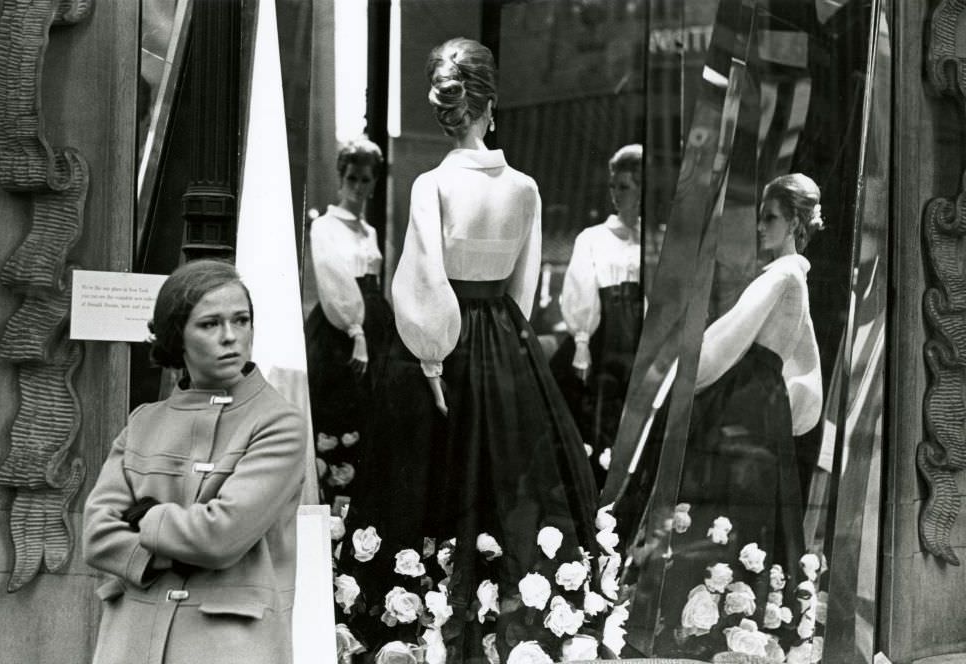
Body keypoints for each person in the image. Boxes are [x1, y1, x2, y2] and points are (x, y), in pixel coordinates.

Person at [337, 38, 603, 662]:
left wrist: (431, 360)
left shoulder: (433, 185)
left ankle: (421, 622)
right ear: (491, 103)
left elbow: (424, 275)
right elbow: (525, 289)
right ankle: (506, 614)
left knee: (429, 482)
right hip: (505, 342)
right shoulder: (528, 189)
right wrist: (507, 341)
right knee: (501, 479)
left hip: (441, 346)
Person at [83, 259, 307, 664]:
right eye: (210, 324)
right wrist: (173, 541)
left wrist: (146, 517)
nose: (230, 337)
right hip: (130, 643)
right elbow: (97, 535)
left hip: (229, 647)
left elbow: (221, 538)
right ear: (177, 336)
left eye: (241, 320)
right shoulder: (144, 422)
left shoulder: (279, 423)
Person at [649, 173, 825, 659]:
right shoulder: (794, 275)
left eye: (770, 218)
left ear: (792, 221)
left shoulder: (783, 275)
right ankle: (740, 616)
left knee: (728, 507)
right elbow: (804, 360)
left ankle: (720, 620)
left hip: (747, 404)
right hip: (761, 404)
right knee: (745, 512)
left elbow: (727, 340)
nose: (759, 227)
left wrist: (686, 377)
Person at [304, 137, 393, 504]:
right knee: (338, 410)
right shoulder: (324, 226)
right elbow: (333, 280)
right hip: (341, 326)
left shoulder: (370, 231)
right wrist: (355, 331)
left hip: (376, 322)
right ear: (341, 178)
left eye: (366, 180)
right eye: (353, 178)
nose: (359, 187)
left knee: (375, 414)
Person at [551, 144, 645, 489]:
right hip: (607, 335)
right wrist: (581, 340)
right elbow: (579, 289)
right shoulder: (593, 238)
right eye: (613, 186)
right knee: (599, 419)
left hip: (642, 337)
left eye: (625, 186)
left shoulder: (654, 238)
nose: (616, 194)